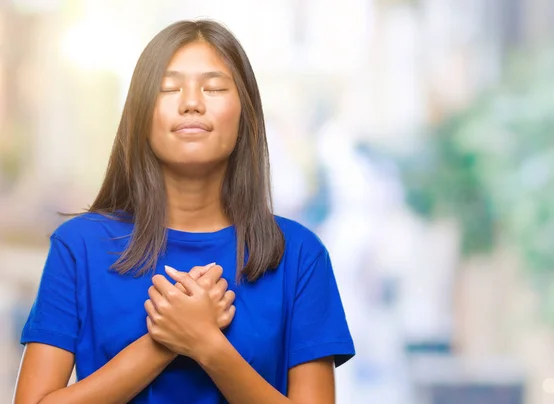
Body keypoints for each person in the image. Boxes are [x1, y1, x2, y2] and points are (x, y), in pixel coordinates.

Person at [13, 19, 354, 404]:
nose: (191, 102)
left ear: (246, 116)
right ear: (140, 115)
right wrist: (162, 342)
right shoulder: (79, 246)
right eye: (169, 88)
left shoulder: (298, 254)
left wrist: (207, 344)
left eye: (213, 88)